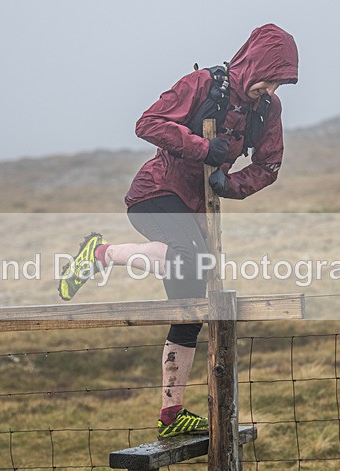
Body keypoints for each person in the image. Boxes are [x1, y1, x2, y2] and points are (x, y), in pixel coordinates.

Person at [58, 23, 299, 438]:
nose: (272, 90)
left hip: (196, 211)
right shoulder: (202, 84)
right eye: (269, 79)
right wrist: (204, 149)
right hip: (156, 194)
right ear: (253, 63)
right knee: (193, 260)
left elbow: (268, 166)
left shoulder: (266, 111)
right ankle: (100, 253)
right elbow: (147, 123)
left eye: (280, 83)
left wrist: (232, 184)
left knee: (190, 312)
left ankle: (171, 416)